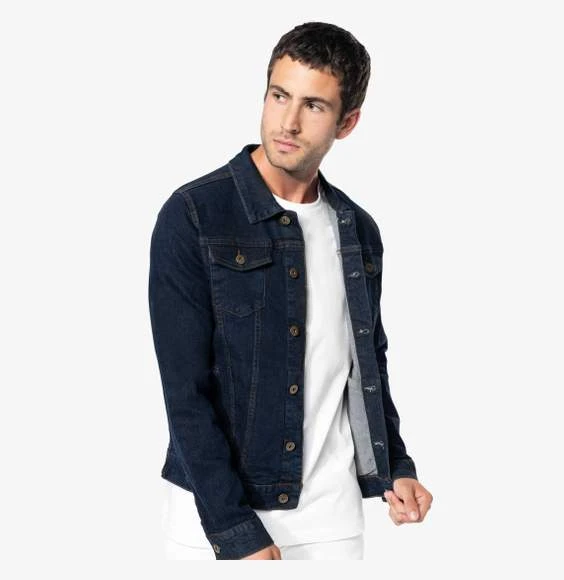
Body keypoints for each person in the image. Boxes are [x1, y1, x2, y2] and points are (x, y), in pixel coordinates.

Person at [148, 21, 433, 561]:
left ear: (347, 123)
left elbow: (365, 363)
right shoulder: (195, 215)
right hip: (215, 522)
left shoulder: (357, 230)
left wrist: (395, 466)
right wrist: (235, 530)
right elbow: (184, 391)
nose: (289, 122)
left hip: (332, 524)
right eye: (279, 96)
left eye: (314, 106)